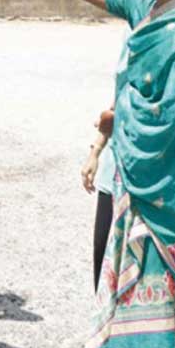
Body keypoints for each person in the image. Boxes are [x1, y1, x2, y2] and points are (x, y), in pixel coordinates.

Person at [16, 0, 175, 348]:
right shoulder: (145, 8)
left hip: (162, 188)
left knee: (166, 310)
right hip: (120, 174)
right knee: (106, 280)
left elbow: (173, 116)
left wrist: (116, 115)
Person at [81, 105, 117, 292]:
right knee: (102, 251)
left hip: (152, 183)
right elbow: (113, 111)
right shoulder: (130, 74)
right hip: (113, 176)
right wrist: (94, 153)